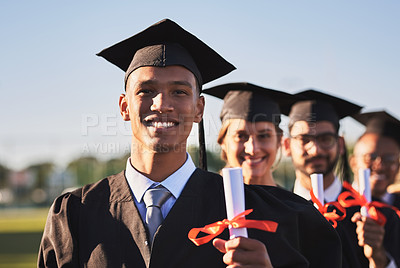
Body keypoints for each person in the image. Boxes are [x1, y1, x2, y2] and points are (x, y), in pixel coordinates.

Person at [38, 19, 342, 267]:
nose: (162, 104)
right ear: (124, 107)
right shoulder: (76, 215)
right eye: (146, 90)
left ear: (199, 109)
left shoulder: (264, 215)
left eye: (180, 92)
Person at [283, 89, 400, 268]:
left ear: (340, 144)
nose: (315, 150)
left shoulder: (380, 216)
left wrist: (379, 257)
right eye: (304, 139)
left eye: (325, 139)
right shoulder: (276, 211)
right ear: (287, 146)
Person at [203, 82, 296, 186]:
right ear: (222, 141)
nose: (252, 149)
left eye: (264, 136)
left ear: (279, 140)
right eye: (241, 136)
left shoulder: (291, 202)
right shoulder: (204, 200)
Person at [350, 111, 400, 209]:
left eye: (389, 159)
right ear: (353, 162)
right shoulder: (335, 207)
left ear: (398, 166)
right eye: (371, 157)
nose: (380, 166)